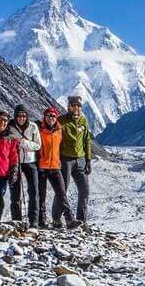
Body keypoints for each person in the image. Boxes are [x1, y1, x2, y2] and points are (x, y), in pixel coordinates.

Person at [38, 107, 82, 229]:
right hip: (42, 167)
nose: (51, 118)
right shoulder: (39, 130)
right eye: (49, 116)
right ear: (45, 117)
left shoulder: (59, 130)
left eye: (53, 116)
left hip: (55, 167)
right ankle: (41, 222)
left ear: (56, 118)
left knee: (62, 194)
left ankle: (69, 220)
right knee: (41, 196)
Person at [53, 95, 92, 226]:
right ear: (68, 106)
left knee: (84, 190)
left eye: (78, 105)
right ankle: (56, 218)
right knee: (62, 189)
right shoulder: (61, 121)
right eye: (73, 105)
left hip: (80, 160)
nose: (76, 108)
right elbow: (55, 140)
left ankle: (81, 220)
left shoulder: (83, 121)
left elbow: (87, 140)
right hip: (65, 160)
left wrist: (88, 160)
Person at [8, 104, 42, 228]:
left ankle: (34, 221)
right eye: (19, 116)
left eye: (23, 116)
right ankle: (17, 221)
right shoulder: (10, 127)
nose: (21, 118)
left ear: (27, 116)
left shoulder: (33, 127)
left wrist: (23, 143)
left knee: (34, 192)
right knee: (15, 193)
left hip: (30, 162)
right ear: (15, 116)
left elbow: (38, 145)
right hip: (15, 162)